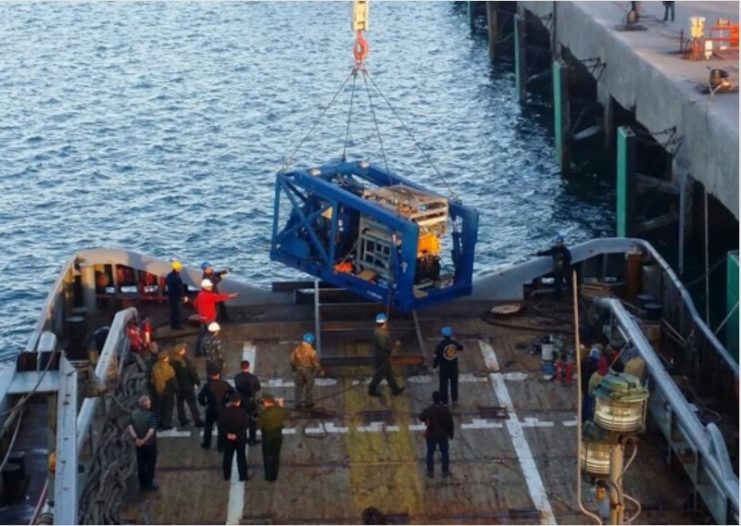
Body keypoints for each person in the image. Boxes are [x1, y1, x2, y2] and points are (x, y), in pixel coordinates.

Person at [191, 279, 237, 357]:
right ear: (206, 287)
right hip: (209, 318)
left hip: (202, 318)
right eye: (210, 286)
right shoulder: (210, 295)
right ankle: (208, 350)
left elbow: (195, 304)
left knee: (201, 334)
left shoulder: (200, 294)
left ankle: (198, 352)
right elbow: (220, 297)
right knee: (210, 335)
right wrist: (231, 296)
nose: (211, 287)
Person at [367, 313, 405, 398]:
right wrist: (395, 344)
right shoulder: (381, 334)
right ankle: (372, 389)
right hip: (382, 357)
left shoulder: (378, 330)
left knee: (388, 373)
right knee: (380, 374)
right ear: (384, 322)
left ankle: (395, 389)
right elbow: (385, 346)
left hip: (382, 356)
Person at [419, 391, 454, 478]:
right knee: (445, 453)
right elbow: (450, 423)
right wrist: (451, 433)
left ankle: (430, 471)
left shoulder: (429, 410)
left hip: (431, 434)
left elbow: (421, 417)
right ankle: (445, 471)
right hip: (443, 435)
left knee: (430, 453)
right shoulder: (446, 410)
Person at [127, 395, 159, 491]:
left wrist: (136, 439)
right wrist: (144, 440)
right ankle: (149, 483)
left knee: (141, 463)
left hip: (138, 444)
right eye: (149, 401)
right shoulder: (151, 416)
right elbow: (151, 430)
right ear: (146, 405)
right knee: (150, 463)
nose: (150, 403)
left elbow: (130, 427)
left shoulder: (133, 415)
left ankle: (142, 483)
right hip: (149, 444)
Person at [198, 367, 233, 451]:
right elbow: (233, 393)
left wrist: (204, 403)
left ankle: (206, 444)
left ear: (210, 375)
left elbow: (201, 396)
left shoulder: (208, 385)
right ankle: (221, 446)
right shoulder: (225, 384)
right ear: (219, 375)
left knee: (208, 427)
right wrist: (226, 400)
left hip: (211, 408)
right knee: (222, 428)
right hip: (221, 408)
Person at [219, 393, 251, 481]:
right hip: (240, 438)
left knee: (227, 456)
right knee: (241, 457)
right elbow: (245, 426)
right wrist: (236, 434)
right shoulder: (243, 412)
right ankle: (243, 476)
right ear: (239, 402)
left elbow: (221, 425)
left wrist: (228, 434)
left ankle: (226, 475)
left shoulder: (224, 411)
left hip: (228, 438)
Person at [170, 343, 204, 427]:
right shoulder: (186, 361)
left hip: (178, 386)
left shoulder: (172, 362)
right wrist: (197, 381)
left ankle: (182, 419)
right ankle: (197, 420)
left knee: (180, 404)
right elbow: (192, 373)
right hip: (188, 386)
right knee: (192, 404)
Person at [257, 393, 288, 481]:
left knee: (267, 456)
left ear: (266, 402)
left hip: (267, 437)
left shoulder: (264, 414)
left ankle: (269, 476)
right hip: (278, 436)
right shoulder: (279, 410)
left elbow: (258, 425)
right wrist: (281, 405)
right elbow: (286, 413)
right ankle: (275, 475)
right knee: (276, 456)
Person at [433, 327, 464, 406]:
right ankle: (455, 401)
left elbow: (436, 357)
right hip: (454, 368)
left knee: (443, 385)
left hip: (444, 369)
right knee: (454, 385)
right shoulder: (454, 343)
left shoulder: (440, 345)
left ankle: (445, 401)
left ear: (442, 335)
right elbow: (461, 347)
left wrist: (434, 366)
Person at [536, 235, 573, 300]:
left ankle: (573, 293)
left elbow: (569, 259)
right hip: (557, 270)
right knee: (557, 283)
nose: (558, 243)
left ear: (562, 242)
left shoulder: (565, 251)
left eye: (560, 242)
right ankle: (558, 297)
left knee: (569, 281)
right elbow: (547, 252)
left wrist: (563, 263)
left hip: (565, 269)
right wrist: (539, 253)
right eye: (557, 242)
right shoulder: (554, 250)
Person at [290, 333, 321, 409]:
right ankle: (308, 403)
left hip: (298, 370)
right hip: (308, 371)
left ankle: (298, 404)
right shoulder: (313, 352)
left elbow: (291, 360)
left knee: (298, 388)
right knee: (309, 388)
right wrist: (316, 371)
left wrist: (293, 368)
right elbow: (316, 364)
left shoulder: (297, 350)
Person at [234, 360, 261, 445]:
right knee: (252, 421)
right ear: (248, 367)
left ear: (241, 367)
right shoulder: (253, 377)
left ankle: (242, 438)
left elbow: (237, 388)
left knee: (241, 420)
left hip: (241, 401)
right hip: (251, 401)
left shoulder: (237, 377)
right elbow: (258, 388)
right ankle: (252, 439)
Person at [151, 351, 177, 430]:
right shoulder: (169, 369)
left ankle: (158, 423)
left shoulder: (155, 367)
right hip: (168, 391)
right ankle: (167, 424)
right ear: (166, 358)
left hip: (158, 390)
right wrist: (177, 389)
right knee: (168, 408)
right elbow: (173, 381)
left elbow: (152, 379)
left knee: (159, 408)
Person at [166, 260, 187, 330]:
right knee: (178, 311)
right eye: (179, 268)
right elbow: (180, 289)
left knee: (173, 311)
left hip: (171, 296)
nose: (180, 269)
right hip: (176, 297)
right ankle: (178, 325)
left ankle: (173, 324)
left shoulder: (169, 275)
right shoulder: (177, 278)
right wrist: (183, 296)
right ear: (176, 268)